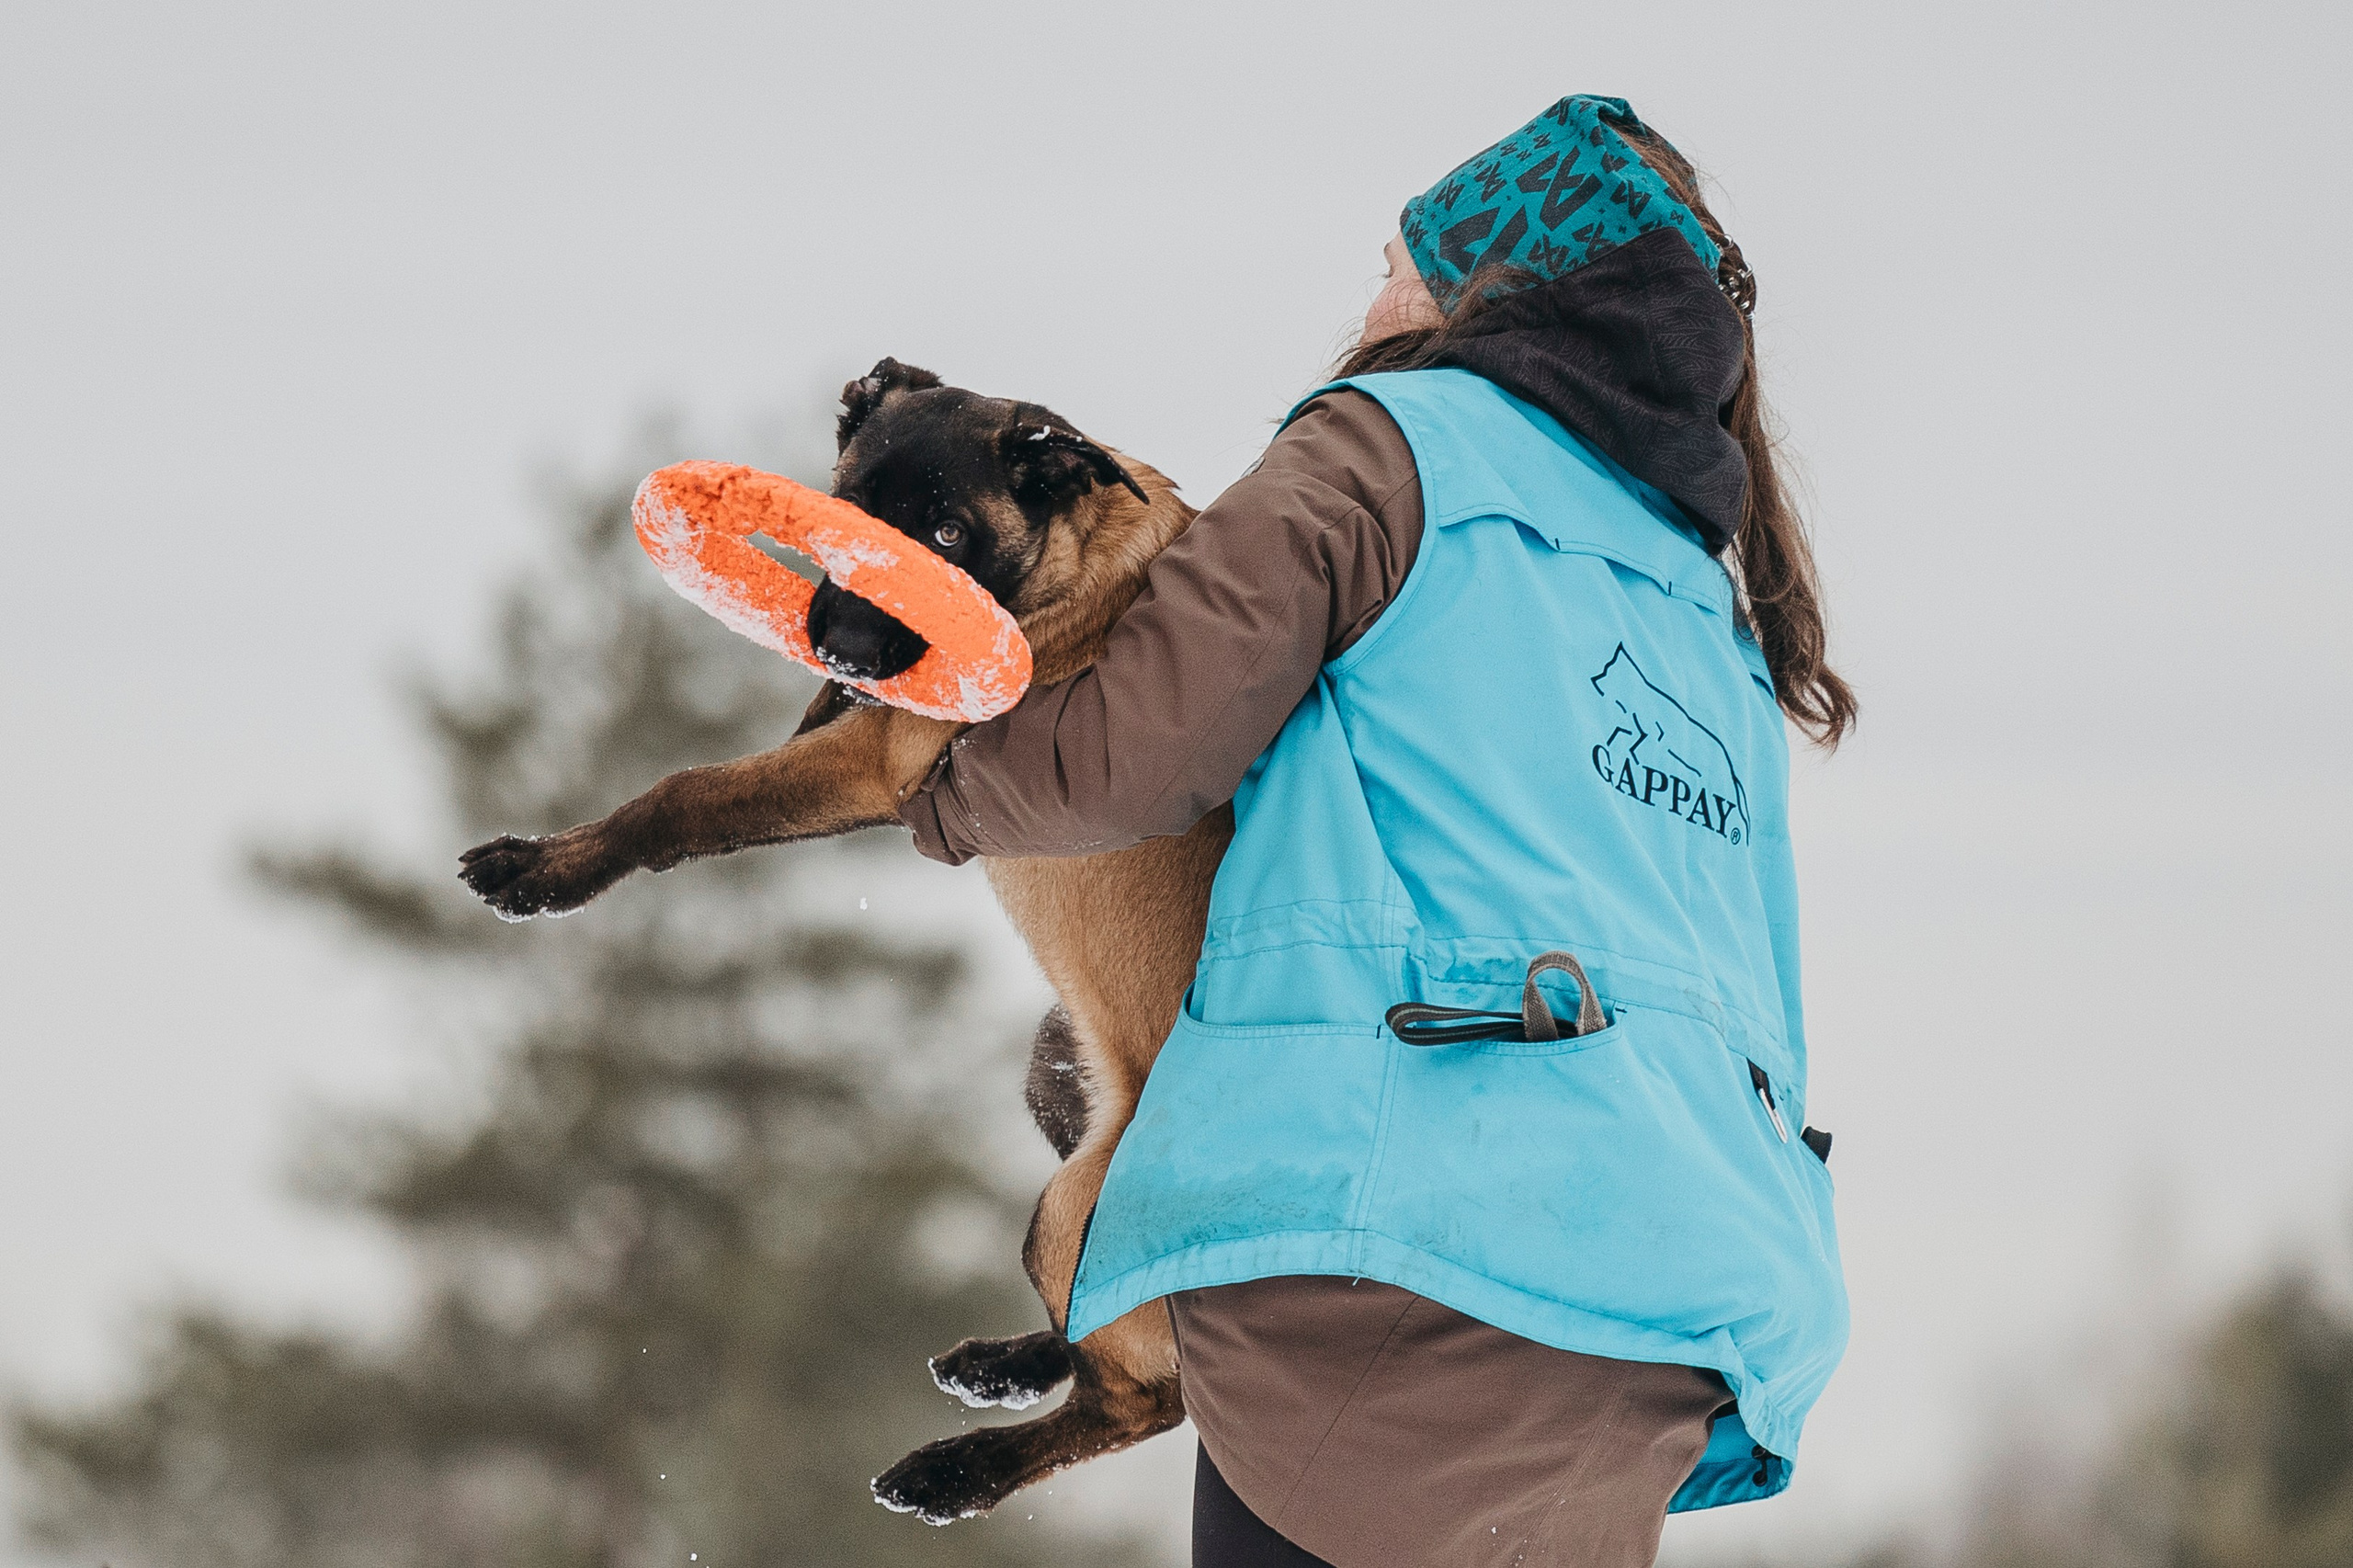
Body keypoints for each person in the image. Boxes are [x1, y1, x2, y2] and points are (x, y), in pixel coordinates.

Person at [899, 95, 1854, 1568]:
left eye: (1393, 265)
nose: (1367, 304)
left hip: (1393, 1283)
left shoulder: (1392, 444)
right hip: (1664, 1311)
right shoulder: (1696, 595)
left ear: (1478, 289)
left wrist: (932, 785)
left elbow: (1136, 747)